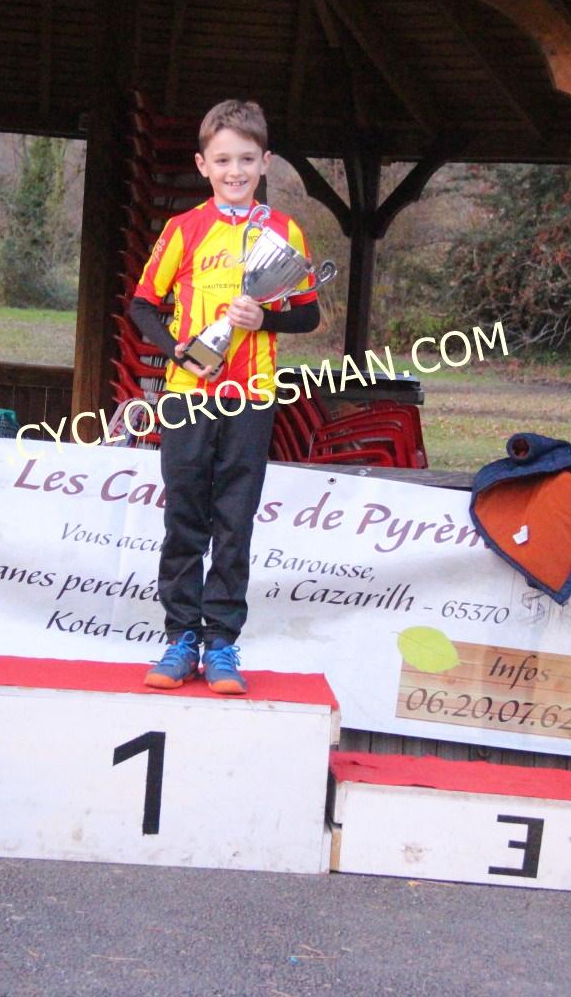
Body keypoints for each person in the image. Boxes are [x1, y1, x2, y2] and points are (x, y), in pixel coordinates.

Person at [129, 99, 322, 694]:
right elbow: (142, 306)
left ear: (265, 161)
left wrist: (265, 319)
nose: (234, 170)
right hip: (188, 395)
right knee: (185, 518)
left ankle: (221, 644)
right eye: (222, 160)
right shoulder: (182, 229)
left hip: (252, 397)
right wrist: (176, 349)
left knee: (234, 522)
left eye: (245, 159)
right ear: (202, 165)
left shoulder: (285, 230)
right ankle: (180, 637)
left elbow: (308, 314)